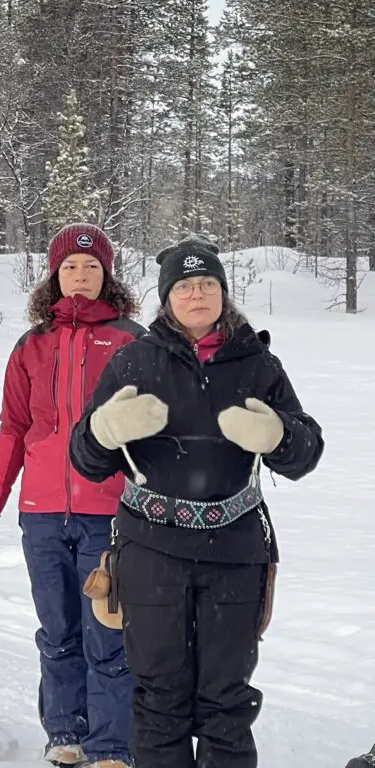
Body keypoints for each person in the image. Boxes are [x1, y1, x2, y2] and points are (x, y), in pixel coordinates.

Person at [69, 236, 324, 768]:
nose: (197, 294)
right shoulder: (133, 361)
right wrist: (104, 429)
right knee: (159, 699)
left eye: (207, 283)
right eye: (184, 286)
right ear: (167, 298)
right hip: (151, 550)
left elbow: (304, 454)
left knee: (226, 701)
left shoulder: (258, 363)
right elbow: (86, 458)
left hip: (236, 550)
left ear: (224, 293)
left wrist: (279, 434)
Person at [0, 224, 145, 768]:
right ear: (54, 274)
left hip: (108, 513)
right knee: (58, 630)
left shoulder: (130, 341)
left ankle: (113, 747)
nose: (81, 276)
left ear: (107, 274)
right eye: (70, 266)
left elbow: (152, 430)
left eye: (92, 267)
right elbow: (12, 429)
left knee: (108, 633)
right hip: (42, 514)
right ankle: (65, 734)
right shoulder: (31, 346)